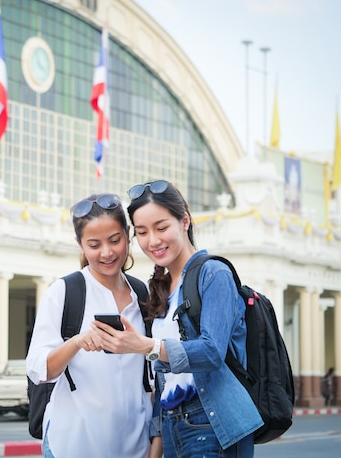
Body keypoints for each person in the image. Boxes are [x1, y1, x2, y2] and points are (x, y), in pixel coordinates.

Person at [91, 180, 263, 458]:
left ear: (184, 221)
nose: (153, 241)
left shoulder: (214, 273)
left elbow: (211, 352)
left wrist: (147, 346)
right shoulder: (160, 286)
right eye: (143, 232)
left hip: (212, 421)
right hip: (173, 424)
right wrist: (157, 439)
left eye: (161, 227)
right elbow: (165, 377)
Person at [26, 193, 152, 458]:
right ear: (80, 244)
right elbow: (38, 369)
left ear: (127, 235)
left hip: (136, 446)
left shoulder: (141, 294)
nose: (106, 252)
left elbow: (150, 376)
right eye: (94, 244)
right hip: (74, 444)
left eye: (115, 241)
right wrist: (76, 342)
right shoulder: (65, 291)